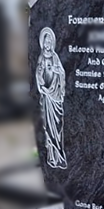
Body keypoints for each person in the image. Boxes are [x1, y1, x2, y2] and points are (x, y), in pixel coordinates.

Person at [36, 27, 68, 169]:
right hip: (47, 97)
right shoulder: (41, 57)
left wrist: (58, 71)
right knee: (48, 128)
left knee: (58, 126)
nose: (48, 44)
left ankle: (60, 156)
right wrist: (42, 87)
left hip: (55, 96)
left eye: (50, 42)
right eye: (46, 42)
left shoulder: (55, 57)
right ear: (43, 43)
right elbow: (38, 73)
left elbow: (61, 72)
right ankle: (52, 158)